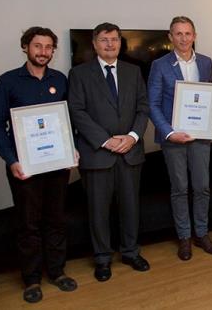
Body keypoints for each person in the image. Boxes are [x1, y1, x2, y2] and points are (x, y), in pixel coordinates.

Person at [0, 27, 77, 303]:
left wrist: (71, 149)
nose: (43, 52)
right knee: (28, 223)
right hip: (24, 167)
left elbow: (68, 121)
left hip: (56, 165)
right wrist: (12, 160)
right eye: (37, 46)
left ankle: (57, 272)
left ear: (53, 50)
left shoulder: (60, 80)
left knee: (56, 220)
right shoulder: (7, 82)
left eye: (49, 47)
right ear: (25, 47)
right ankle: (31, 279)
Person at [68, 22, 150, 282]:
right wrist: (105, 141)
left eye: (114, 39)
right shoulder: (79, 74)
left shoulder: (133, 71)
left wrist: (133, 137)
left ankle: (130, 251)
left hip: (129, 152)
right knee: (98, 210)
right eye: (104, 40)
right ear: (94, 44)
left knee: (130, 207)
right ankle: (102, 259)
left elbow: (143, 107)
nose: (110, 44)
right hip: (97, 155)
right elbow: (77, 111)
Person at [148, 16, 212, 260]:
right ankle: (184, 237)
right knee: (179, 188)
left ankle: (201, 233)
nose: (183, 38)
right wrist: (169, 131)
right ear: (170, 37)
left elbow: (209, 97)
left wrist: (209, 125)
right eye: (178, 34)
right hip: (173, 138)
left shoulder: (207, 62)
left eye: (187, 33)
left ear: (194, 36)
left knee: (202, 187)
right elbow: (153, 104)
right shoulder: (159, 65)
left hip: (200, 137)